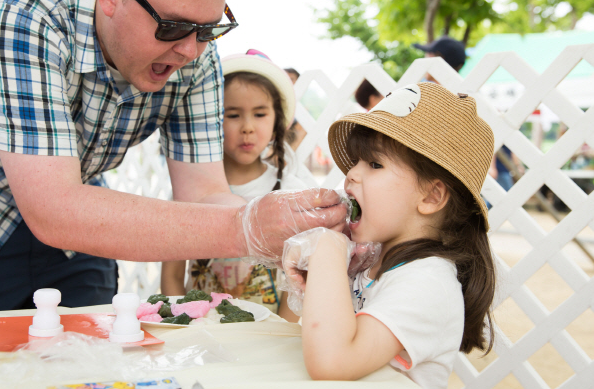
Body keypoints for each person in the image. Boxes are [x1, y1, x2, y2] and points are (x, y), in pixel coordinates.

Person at [0, 0, 347, 311]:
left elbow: (204, 194)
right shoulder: (23, 10)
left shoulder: (193, 57)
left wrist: (297, 237)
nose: (190, 50)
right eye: (171, 27)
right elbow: (53, 208)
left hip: (76, 225)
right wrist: (244, 227)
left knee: (94, 363)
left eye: (208, 29)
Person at [284, 83, 496, 386]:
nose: (351, 174)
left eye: (374, 164)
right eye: (356, 161)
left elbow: (332, 363)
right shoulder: (370, 261)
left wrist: (327, 252)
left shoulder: (427, 282)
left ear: (431, 197)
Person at [161, 51, 317, 322]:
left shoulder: (290, 191)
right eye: (232, 115)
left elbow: (300, 280)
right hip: (201, 338)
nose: (247, 127)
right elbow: (172, 275)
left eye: (259, 114)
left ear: (276, 120)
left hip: (267, 340)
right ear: (210, 119)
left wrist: (277, 333)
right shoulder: (188, 191)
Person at [283, 67, 307, 151]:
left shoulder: (303, 109)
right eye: (285, 78)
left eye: (292, 79)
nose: (289, 82)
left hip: (294, 146)